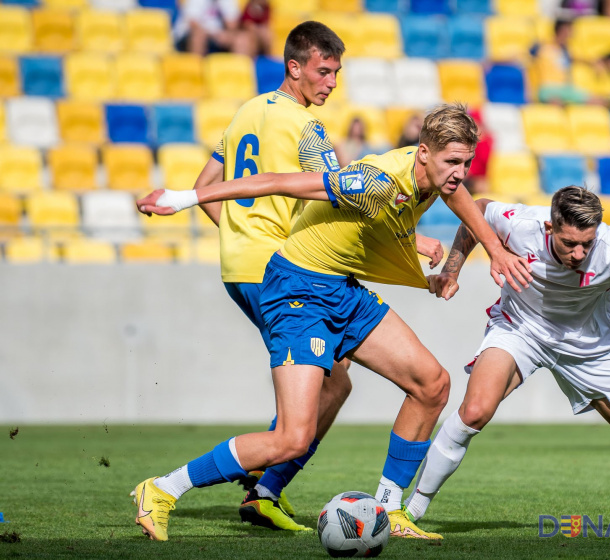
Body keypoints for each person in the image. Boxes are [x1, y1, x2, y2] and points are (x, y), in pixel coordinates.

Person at [133, 103, 533, 541]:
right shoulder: (373, 182)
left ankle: (388, 509)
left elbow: (461, 199)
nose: (459, 173)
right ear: (423, 153)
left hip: (341, 289)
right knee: (291, 438)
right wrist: (186, 198)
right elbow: (278, 183)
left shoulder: (438, 178)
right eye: (451, 162)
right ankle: (162, 489)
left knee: (432, 384)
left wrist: (494, 252)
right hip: (296, 290)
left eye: (466, 162)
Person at [135, 21, 444, 538]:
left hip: (241, 266)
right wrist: (409, 245)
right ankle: (248, 480)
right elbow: (336, 201)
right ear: (294, 68)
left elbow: (205, 185)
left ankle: (266, 489)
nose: (331, 83)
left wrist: (238, 237)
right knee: (297, 426)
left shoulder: (246, 112)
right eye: (324, 71)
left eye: (337, 72)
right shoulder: (308, 128)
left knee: (338, 381)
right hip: (289, 272)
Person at [402, 186, 610, 534]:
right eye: (569, 243)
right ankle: (411, 511)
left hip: (588, 348)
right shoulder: (521, 224)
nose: (579, 253)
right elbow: (477, 211)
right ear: (550, 228)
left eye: (586, 244)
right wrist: (452, 270)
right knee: (474, 411)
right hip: (521, 329)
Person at [173, 0, 241, 56]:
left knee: (242, 39)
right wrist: (215, 35)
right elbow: (193, 24)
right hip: (187, 36)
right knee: (198, 35)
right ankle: (197, 69)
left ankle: (237, 70)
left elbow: (232, 25)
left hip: (216, 36)